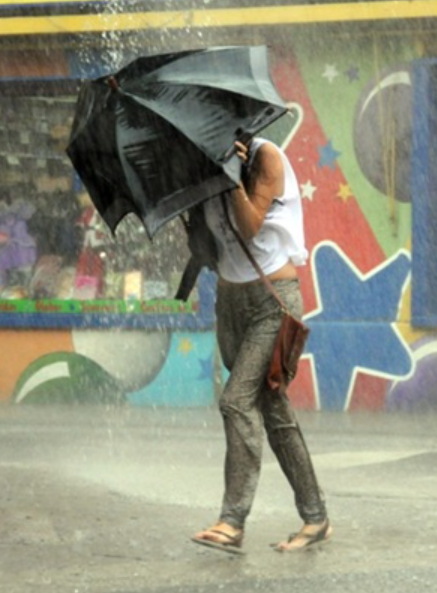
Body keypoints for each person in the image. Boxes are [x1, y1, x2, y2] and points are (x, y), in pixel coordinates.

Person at [190, 137, 331, 554]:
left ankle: (232, 522)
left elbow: (250, 226)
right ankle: (316, 517)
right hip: (230, 301)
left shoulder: (264, 156)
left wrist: (231, 174)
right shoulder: (202, 160)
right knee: (272, 409)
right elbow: (210, 244)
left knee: (236, 402)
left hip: (272, 301)